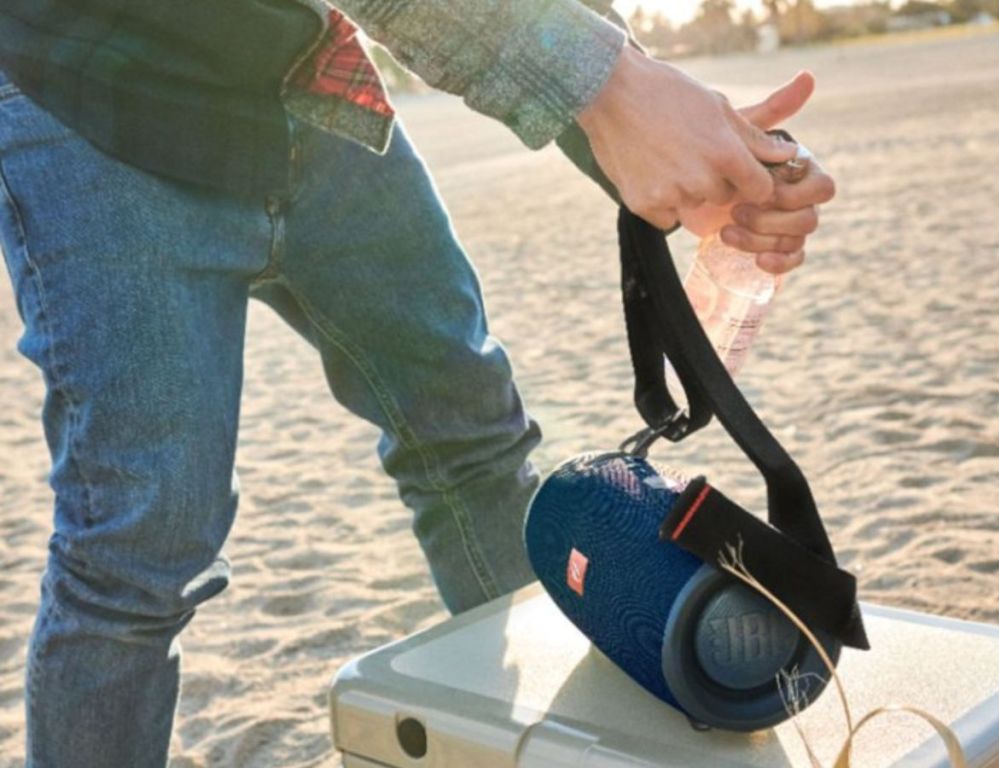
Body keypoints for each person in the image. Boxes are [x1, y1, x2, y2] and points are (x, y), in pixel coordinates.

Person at [0, 0, 835, 765]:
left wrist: (670, 138)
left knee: (472, 442)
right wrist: (611, 90)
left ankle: (535, 747)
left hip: (307, 83)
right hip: (87, 97)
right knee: (140, 547)